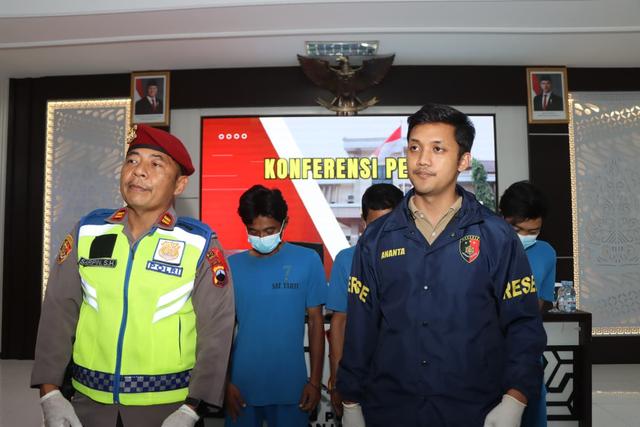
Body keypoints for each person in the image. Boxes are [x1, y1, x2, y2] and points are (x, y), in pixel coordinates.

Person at [337, 103, 547, 427]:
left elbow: (523, 323)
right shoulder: (377, 238)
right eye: (414, 148)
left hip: (475, 410)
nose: (422, 160)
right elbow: (360, 327)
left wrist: (515, 398)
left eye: (438, 149)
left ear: (463, 160)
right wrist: (350, 401)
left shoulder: (496, 236)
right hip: (391, 409)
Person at [31, 124, 235, 427]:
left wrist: (192, 410)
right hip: (88, 405)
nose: (139, 171)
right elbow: (58, 310)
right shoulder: (89, 231)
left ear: (179, 185)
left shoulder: (199, 243)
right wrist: (49, 393)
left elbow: (217, 332)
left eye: (156, 164)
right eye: (132, 160)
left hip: (169, 410)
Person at [224, 185, 327, 427]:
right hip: (241, 387)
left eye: (269, 231)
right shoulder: (232, 266)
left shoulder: (308, 261)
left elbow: (316, 323)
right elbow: (222, 331)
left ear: (284, 224)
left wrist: (314, 382)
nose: (261, 238)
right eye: (254, 232)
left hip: (292, 386)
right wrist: (224, 383)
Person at [326, 183, 404, 419]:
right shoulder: (346, 260)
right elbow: (339, 322)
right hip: (358, 378)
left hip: (404, 379)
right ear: (363, 222)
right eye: (374, 225)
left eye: (388, 225)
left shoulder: (416, 259)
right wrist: (337, 377)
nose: (381, 233)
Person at [500, 181, 557, 427]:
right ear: (503, 218)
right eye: (518, 230)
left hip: (526, 356)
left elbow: (537, 308)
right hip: (487, 356)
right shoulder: (485, 250)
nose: (526, 237)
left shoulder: (546, 253)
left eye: (533, 231)